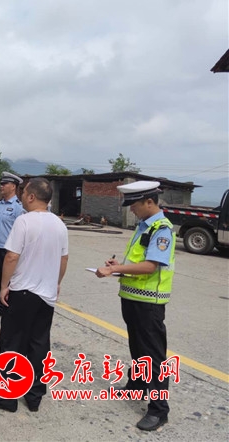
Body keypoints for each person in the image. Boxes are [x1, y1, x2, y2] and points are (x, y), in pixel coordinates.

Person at [0, 177, 69, 412]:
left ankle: (8, 397)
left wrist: (4, 286)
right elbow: (63, 259)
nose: (21, 195)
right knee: (39, 343)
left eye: (24, 192)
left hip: (22, 292)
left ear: (31, 197)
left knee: (12, 342)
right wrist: (56, 283)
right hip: (46, 295)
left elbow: (11, 256)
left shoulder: (24, 221)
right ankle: (34, 396)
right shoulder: (59, 224)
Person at [95, 180, 176, 431]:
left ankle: (159, 410)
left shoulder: (161, 229)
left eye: (135, 205)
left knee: (154, 356)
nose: (131, 209)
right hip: (132, 298)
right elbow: (137, 261)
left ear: (149, 202)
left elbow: (150, 266)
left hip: (149, 302)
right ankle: (137, 387)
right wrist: (118, 265)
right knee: (138, 348)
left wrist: (114, 269)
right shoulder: (144, 226)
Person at [0, 172, 24, 317]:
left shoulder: (18, 207)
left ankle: (10, 309)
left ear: (13, 186)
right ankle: (0, 307)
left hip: (9, 250)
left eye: (4, 184)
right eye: (1, 184)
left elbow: (22, 230)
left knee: (9, 280)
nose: (1, 186)